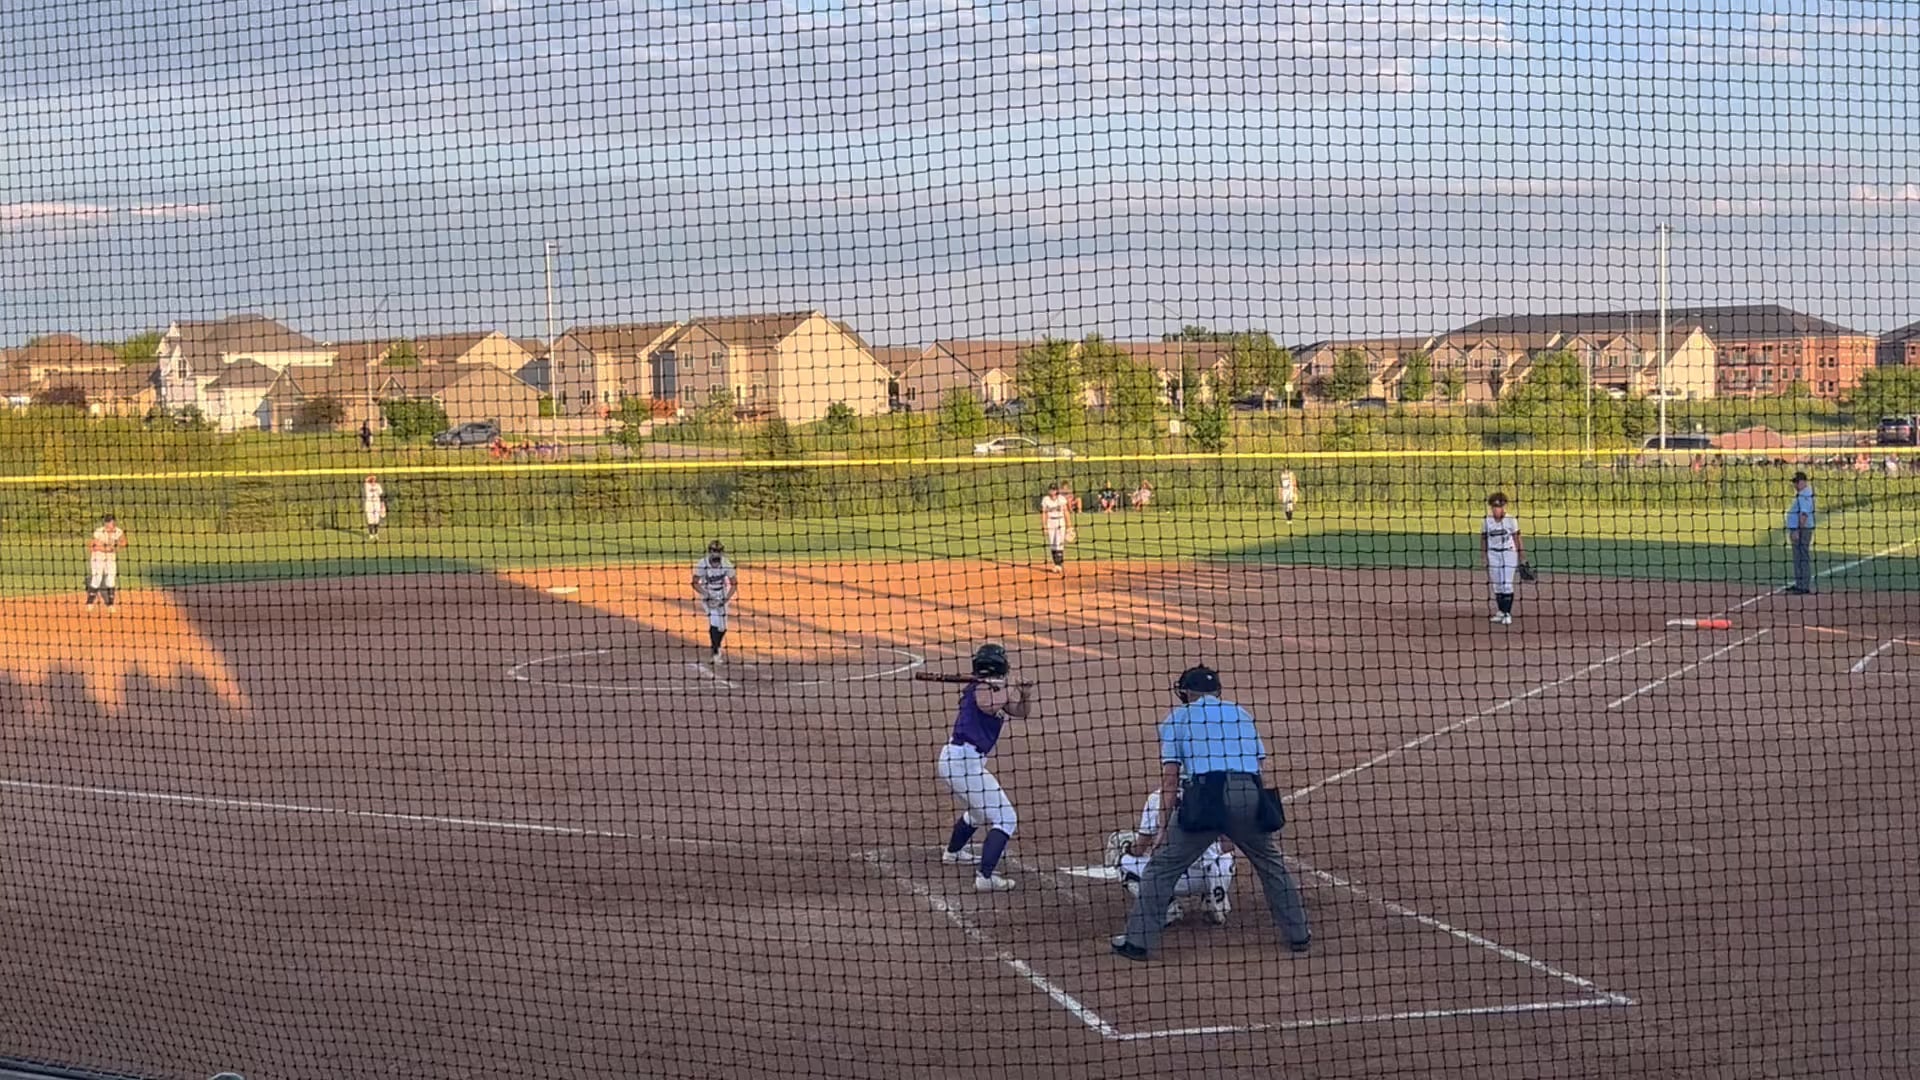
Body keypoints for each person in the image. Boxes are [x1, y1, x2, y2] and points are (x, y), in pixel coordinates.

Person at [1110, 666, 1309, 961]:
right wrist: (1251, 815)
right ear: (1217, 691)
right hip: (1249, 792)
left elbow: (1170, 779)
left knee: (1161, 869)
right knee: (1272, 865)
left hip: (1207, 797)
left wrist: (1163, 828)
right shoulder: (1241, 714)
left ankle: (1137, 943)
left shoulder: (1177, 718)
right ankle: (1299, 935)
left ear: (1185, 693)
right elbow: (1259, 769)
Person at [936, 644, 1032, 892]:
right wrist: (1010, 686)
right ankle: (985, 877)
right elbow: (987, 705)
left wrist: (1024, 694)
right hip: (962, 761)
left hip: (963, 761)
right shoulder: (981, 688)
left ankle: (953, 853)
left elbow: (1020, 712)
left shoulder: (993, 688)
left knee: (978, 812)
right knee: (1006, 818)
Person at [1104, 790, 1235, 927]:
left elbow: (1139, 849)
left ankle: (1167, 907)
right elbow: (1229, 844)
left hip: (1176, 878)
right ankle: (1212, 899)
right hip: (1218, 874)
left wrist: (1126, 848)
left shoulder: (1157, 798)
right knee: (1220, 855)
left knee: (1120, 862)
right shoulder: (1216, 793)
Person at [1480, 491, 1524, 626]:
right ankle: (1501, 611)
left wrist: (1522, 556)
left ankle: (1507, 613)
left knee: (1506, 584)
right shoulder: (1487, 521)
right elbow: (1483, 538)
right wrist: (1484, 556)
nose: (1496, 509)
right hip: (1493, 554)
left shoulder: (1511, 520)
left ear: (1504, 507)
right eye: (1494, 506)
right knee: (1497, 585)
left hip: (1508, 553)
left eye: (1499, 506)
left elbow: (1517, 538)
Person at [692, 540, 739, 662]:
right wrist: (706, 595)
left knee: (723, 627)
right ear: (710, 551)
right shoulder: (702, 564)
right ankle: (715, 651)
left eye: (718, 551)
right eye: (714, 550)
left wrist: (726, 598)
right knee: (714, 621)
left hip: (722, 593)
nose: (716, 553)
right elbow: (695, 583)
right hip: (708, 593)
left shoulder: (726, 563)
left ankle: (717, 646)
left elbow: (734, 584)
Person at [85, 513, 126, 612]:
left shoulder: (118, 531)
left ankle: (110, 604)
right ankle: (89, 603)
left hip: (110, 558)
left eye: (111, 522)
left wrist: (116, 545)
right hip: (98, 557)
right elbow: (91, 545)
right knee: (97, 578)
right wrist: (103, 548)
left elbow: (124, 542)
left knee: (111, 578)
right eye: (107, 522)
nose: (109, 524)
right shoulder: (99, 531)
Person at [1786, 471, 1816, 594]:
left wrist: (1797, 530)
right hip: (1799, 529)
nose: (1795, 485)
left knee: (1802, 557)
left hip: (1802, 530)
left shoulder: (1805, 495)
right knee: (1798, 557)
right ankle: (1799, 584)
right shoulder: (1802, 494)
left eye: (1797, 482)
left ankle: (1803, 586)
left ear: (1803, 482)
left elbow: (1804, 514)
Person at [1039, 482, 1072, 574]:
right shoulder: (1046, 499)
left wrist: (1069, 525)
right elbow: (1044, 513)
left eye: (1054, 489)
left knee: (1059, 542)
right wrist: (1044, 526)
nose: (1052, 491)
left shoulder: (1061, 499)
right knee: (1052, 544)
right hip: (1050, 522)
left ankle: (1059, 565)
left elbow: (1066, 512)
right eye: (1051, 489)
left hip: (1060, 521)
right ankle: (1056, 564)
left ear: (1057, 490)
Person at [362, 475, 386, 541]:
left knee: (376, 519)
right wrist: (371, 476)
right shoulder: (367, 485)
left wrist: (382, 504)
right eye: (372, 479)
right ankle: (371, 535)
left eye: (374, 479)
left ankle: (376, 534)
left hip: (376, 504)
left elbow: (381, 495)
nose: (373, 480)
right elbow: (366, 480)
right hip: (369, 504)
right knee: (370, 519)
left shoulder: (378, 486)